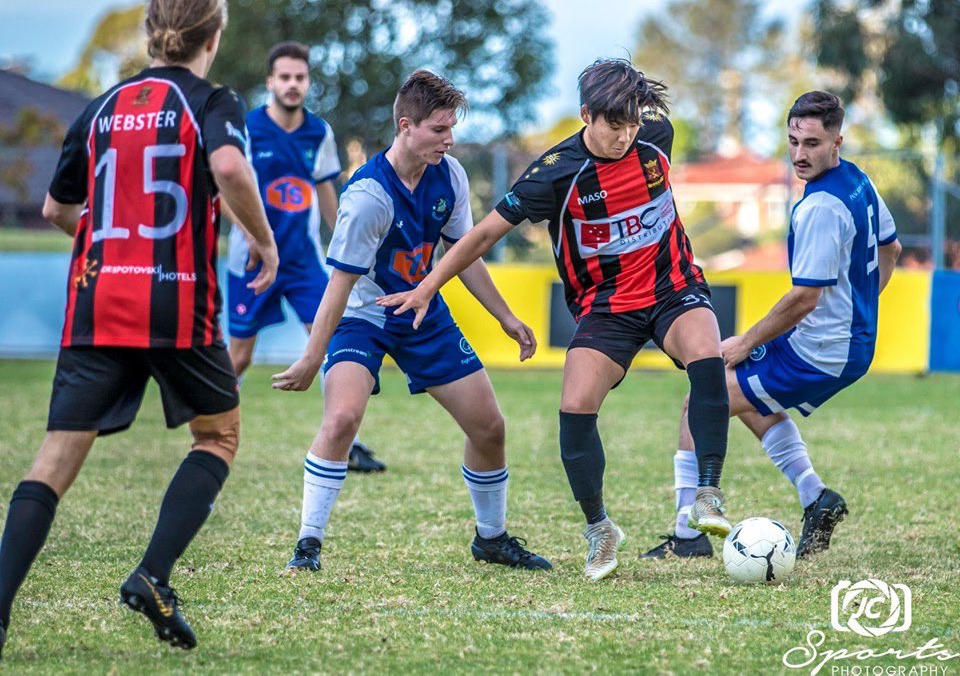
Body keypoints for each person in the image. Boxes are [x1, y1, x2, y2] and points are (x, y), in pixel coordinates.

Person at [0, 0, 278, 658]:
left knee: (56, 456)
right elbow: (232, 168)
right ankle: (152, 575)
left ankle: (0, 608)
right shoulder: (212, 100)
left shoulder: (99, 106)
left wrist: (110, 242)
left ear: (154, 30)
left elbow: (57, 209)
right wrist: (264, 244)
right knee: (217, 436)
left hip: (98, 299)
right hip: (174, 294)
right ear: (212, 38)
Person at [378, 59, 732, 581]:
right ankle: (600, 529)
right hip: (606, 306)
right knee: (574, 405)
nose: (625, 135)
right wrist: (428, 285)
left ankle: (707, 494)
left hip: (672, 287)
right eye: (614, 125)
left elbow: (645, 136)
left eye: (633, 122)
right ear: (586, 114)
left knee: (708, 355)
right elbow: (479, 237)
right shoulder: (555, 172)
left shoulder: (656, 136)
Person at [271, 70, 551, 573]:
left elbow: (464, 253)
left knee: (489, 427)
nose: (450, 140)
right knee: (341, 419)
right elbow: (338, 287)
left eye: (452, 129)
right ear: (406, 126)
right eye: (440, 130)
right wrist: (313, 357)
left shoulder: (451, 176)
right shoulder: (367, 198)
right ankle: (307, 545)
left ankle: (491, 539)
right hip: (364, 315)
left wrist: (505, 316)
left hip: (423, 310)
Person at [642, 91, 901, 560]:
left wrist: (745, 341)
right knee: (744, 400)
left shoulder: (821, 207)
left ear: (837, 140)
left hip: (822, 348)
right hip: (845, 339)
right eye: (793, 141)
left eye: (813, 143)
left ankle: (687, 534)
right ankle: (816, 497)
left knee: (703, 397)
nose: (800, 154)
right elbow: (892, 250)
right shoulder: (859, 181)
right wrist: (860, 308)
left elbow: (804, 297)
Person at [226, 41, 386, 472]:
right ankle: (213, 432)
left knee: (331, 337)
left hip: (303, 260)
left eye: (300, 77)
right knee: (239, 354)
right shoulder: (245, 128)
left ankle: (344, 438)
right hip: (252, 260)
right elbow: (225, 190)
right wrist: (253, 237)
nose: (293, 85)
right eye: (285, 77)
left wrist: (346, 241)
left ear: (307, 82)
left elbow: (325, 190)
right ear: (270, 82)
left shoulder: (319, 131)